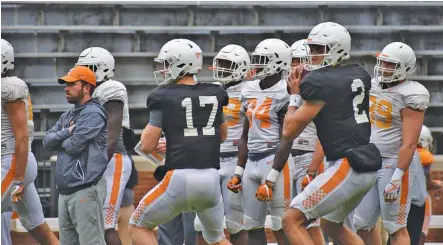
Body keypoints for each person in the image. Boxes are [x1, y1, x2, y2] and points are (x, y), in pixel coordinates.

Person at [269, 22, 381, 245]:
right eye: (311, 49)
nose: (313, 55)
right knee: (330, 224)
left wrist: (294, 95)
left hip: (346, 165)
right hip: (365, 163)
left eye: (318, 50)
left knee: (291, 220)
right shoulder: (358, 73)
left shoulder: (320, 82)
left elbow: (289, 131)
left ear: (336, 49)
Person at [128, 38, 231, 245]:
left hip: (180, 178)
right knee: (217, 239)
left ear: (180, 64)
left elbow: (147, 145)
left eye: (167, 64)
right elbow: (222, 135)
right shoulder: (214, 92)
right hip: (211, 179)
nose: (164, 70)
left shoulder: (163, 96)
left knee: (137, 226)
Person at [353, 42, 430, 245]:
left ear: (405, 67)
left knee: (394, 226)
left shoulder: (411, 94)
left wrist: (398, 176)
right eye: (383, 63)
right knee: (361, 223)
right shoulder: (372, 85)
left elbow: (410, 142)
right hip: (370, 160)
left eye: (390, 65)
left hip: (394, 163)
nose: (384, 68)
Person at [227, 38, 294, 245]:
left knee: (281, 224)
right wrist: (239, 171)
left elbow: (287, 137)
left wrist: (271, 178)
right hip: (252, 163)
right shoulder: (249, 89)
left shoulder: (286, 90)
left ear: (279, 62)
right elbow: (245, 136)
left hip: (275, 160)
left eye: (262, 60)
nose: (257, 65)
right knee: (252, 225)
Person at [1, 38, 59, 245]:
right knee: (39, 229)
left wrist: (18, 177)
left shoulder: (9, 88)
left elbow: (22, 136)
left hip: (12, 161)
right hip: (14, 162)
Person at [43, 66, 108, 245]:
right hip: (66, 191)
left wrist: (61, 138)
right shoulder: (68, 115)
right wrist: (66, 133)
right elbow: (47, 142)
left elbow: (74, 146)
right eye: (66, 84)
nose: (66, 88)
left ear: (87, 88)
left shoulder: (94, 113)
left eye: (71, 84)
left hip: (84, 190)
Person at [194, 44, 250, 245]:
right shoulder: (212, 90)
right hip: (212, 159)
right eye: (221, 64)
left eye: (228, 64)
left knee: (236, 223)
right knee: (202, 222)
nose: (222, 69)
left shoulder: (249, 91)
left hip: (235, 160)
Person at [76, 47, 133, 245]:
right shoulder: (89, 93)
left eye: (89, 68)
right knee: (93, 222)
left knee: (106, 223)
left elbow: (111, 134)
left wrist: (94, 167)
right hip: (97, 160)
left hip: (112, 159)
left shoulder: (111, 88)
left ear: (104, 69)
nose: (84, 73)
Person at [288, 39, 325, 245]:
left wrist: (313, 168)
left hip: (309, 155)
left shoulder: (317, 87)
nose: (294, 66)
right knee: (291, 219)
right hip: (289, 157)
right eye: (291, 61)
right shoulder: (289, 86)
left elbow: (323, 133)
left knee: (310, 221)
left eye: (298, 61)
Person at [117, 155, 139, 245]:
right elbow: (134, 180)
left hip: (110, 205)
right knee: (126, 237)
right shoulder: (127, 157)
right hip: (126, 202)